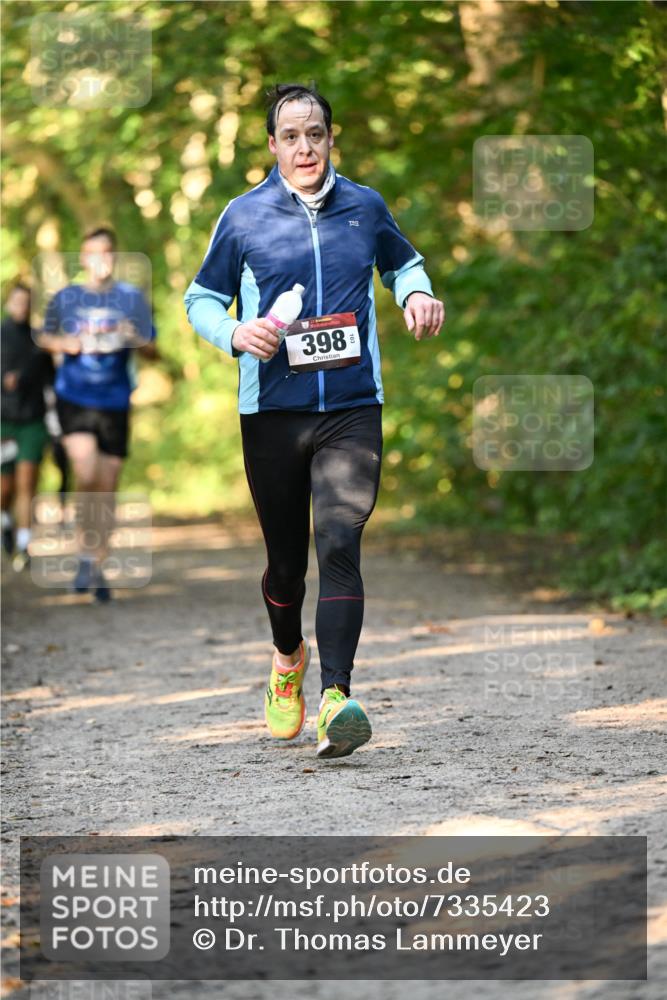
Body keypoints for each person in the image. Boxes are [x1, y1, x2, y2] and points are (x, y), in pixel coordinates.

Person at [184, 83, 444, 759]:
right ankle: (285, 659)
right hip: (273, 411)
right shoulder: (243, 217)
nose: (305, 147)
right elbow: (200, 298)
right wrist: (235, 334)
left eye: (316, 133)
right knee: (284, 567)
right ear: (272, 146)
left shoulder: (364, 206)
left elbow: (403, 262)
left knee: (339, 541)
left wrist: (416, 294)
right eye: (291, 136)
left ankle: (336, 698)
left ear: (332, 139)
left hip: (352, 408)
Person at [38, 227, 155, 603]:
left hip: (116, 400)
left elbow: (152, 348)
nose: (100, 260)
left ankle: (97, 562)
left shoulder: (130, 297)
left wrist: (134, 335)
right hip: (74, 395)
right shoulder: (67, 297)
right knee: (85, 471)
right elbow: (43, 336)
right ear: (84, 258)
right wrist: (64, 343)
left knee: (107, 484)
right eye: (93, 253)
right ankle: (83, 550)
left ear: (114, 257)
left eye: (107, 252)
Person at [1, 281, 54, 570]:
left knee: (27, 482)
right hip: (3, 424)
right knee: (4, 487)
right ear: (9, 303)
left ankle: (24, 545)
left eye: (26, 302)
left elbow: (50, 381)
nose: (21, 306)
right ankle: (5, 522)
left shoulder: (40, 342)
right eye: (17, 301)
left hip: (32, 421)